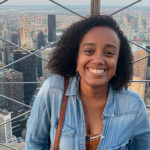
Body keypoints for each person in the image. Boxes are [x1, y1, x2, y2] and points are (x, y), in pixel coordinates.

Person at [25, 15, 150, 150]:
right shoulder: (53, 91)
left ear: (119, 61)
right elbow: (34, 145)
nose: (98, 60)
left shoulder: (134, 106)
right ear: (75, 56)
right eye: (89, 51)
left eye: (109, 53)